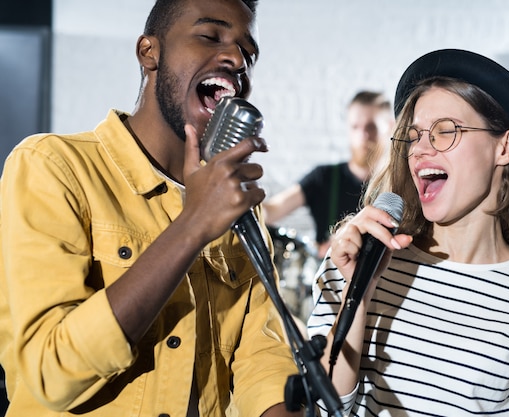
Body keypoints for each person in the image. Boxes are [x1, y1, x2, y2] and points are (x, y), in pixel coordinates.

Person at [0, 1, 304, 416]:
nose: (236, 59)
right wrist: (193, 224)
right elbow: (51, 373)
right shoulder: (53, 166)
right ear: (150, 53)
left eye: (247, 54)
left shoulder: (239, 213)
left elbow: (263, 363)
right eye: (210, 36)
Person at [307, 49, 509, 416]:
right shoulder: (360, 261)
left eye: (445, 131)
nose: (420, 150)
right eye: (413, 137)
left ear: (504, 147)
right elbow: (323, 406)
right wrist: (357, 294)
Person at [263, 91, 394, 259]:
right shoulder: (323, 177)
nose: (362, 136)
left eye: (371, 127)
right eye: (355, 127)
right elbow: (272, 210)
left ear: (390, 127)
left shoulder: (398, 183)